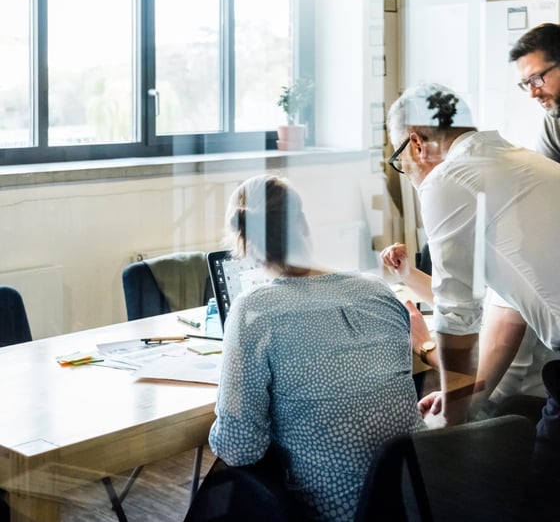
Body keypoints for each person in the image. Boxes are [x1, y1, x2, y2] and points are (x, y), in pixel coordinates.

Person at [208, 174, 425, 521]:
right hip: (421, 500)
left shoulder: (254, 310)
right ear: (306, 226)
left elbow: (239, 448)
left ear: (243, 243)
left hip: (336, 512)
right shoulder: (377, 291)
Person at [385, 82, 560, 427]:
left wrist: (452, 425)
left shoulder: (446, 180)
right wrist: (465, 397)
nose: (405, 171)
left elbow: (456, 320)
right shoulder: (524, 162)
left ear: (416, 143)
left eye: (398, 159)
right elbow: (508, 311)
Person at [380, 242, 556, 414]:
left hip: (511, 409)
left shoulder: (518, 269)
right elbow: (467, 309)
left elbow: (491, 380)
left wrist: (426, 347)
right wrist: (407, 274)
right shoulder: (513, 254)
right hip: (501, 398)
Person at [509, 22, 560, 162]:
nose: (533, 93)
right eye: (527, 83)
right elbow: (545, 177)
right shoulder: (555, 121)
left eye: (536, 79)